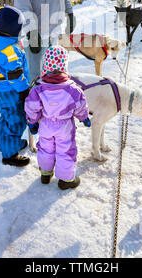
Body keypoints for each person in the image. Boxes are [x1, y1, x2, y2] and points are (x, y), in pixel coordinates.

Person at [24, 46, 91, 190]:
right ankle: (66, 180)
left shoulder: (38, 89)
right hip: (64, 126)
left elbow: (31, 107)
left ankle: (46, 173)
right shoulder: (72, 90)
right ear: (64, 65)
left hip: (45, 125)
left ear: (45, 65)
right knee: (65, 150)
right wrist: (84, 117)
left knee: (46, 148)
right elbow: (80, 105)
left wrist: (32, 122)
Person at [0, 5, 31, 167]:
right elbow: (16, 76)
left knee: (7, 117)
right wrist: (25, 91)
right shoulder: (9, 51)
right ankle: (10, 154)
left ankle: (11, 143)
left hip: (0, 88)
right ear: (13, 29)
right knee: (15, 119)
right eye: (20, 27)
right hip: (10, 91)